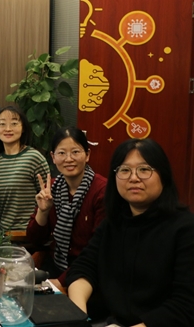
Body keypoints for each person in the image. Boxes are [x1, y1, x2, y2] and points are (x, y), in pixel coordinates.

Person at [67, 138, 194, 327]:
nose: (134, 178)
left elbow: (185, 306)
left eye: (144, 169)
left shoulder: (185, 228)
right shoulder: (113, 223)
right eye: (125, 170)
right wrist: (79, 317)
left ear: (163, 175)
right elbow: (83, 268)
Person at [26, 127, 106, 285]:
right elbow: (35, 240)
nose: (68, 159)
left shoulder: (101, 191)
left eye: (75, 152)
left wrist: (59, 282)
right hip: (56, 264)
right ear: (53, 157)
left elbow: (98, 250)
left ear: (87, 155)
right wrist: (43, 211)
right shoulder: (52, 188)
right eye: (61, 153)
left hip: (87, 272)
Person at [0, 105, 49, 231]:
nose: (8, 129)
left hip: (27, 233)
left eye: (14, 123)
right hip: (4, 232)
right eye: (2, 124)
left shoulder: (34, 158)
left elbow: (48, 198)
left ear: (23, 127)